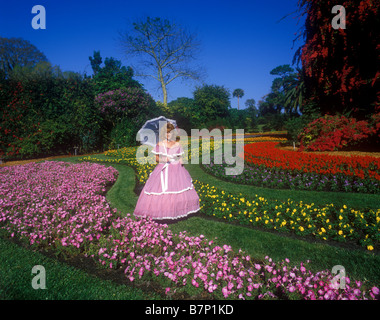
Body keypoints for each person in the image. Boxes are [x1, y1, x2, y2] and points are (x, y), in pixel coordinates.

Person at [133, 122, 200, 220]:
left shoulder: (177, 144)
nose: (167, 135)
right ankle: (161, 212)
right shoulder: (160, 144)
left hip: (177, 170)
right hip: (163, 169)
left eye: (169, 133)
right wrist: (166, 159)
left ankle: (178, 210)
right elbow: (156, 158)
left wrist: (180, 160)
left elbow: (182, 157)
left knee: (178, 190)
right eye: (165, 133)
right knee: (161, 191)